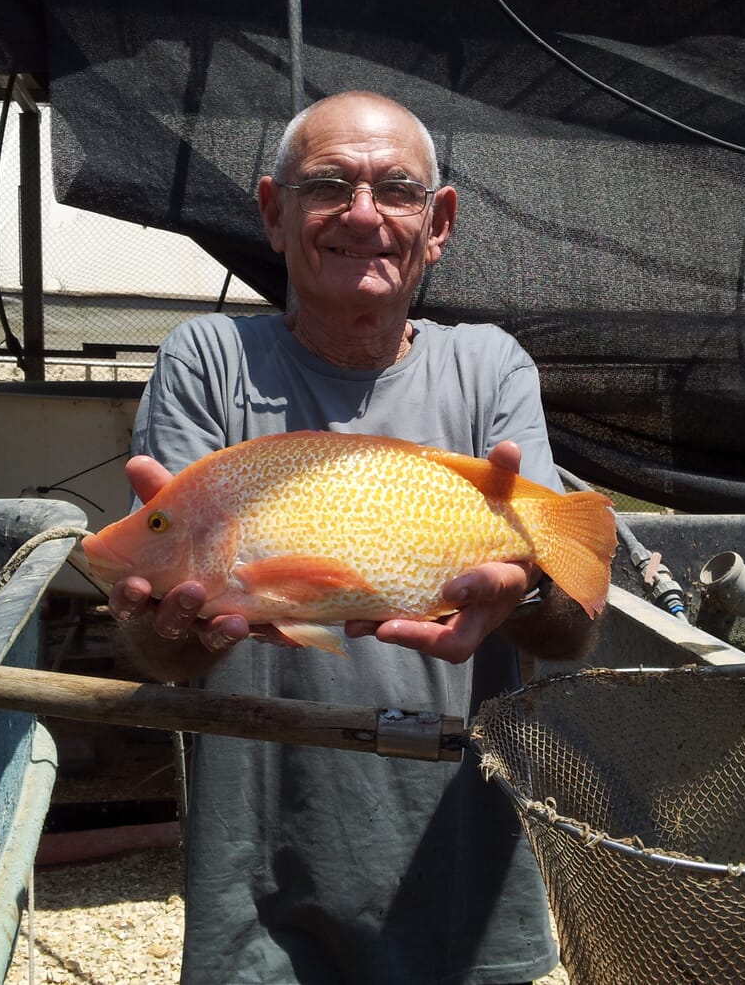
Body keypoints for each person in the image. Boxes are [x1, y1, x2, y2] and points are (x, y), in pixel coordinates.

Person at [109, 90, 590, 985]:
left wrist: (525, 590)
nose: (362, 214)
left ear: (437, 222)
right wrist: (160, 622)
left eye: (396, 190)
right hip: (260, 886)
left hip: (461, 874)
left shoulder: (489, 368)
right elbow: (161, 649)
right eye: (328, 184)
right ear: (273, 212)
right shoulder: (208, 364)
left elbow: (571, 622)